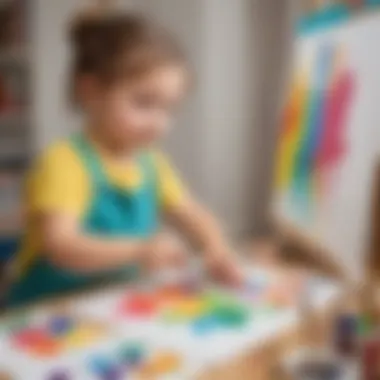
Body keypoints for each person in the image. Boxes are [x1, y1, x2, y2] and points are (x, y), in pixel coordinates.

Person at [6, 11, 242, 307]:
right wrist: (140, 249)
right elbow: (61, 246)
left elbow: (194, 214)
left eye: (169, 109)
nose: (160, 123)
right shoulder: (64, 163)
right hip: (42, 312)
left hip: (104, 305)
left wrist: (216, 248)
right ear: (90, 91)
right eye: (144, 102)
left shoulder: (152, 164)